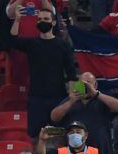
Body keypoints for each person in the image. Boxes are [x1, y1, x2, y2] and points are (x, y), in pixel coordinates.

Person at [9, 9, 78, 137]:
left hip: (58, 96)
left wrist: (72, 99)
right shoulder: (32, 43)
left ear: (53, 22)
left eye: (46, 19)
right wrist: (17, 20)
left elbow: (71, 73)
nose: (42, 21)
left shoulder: (62, 44)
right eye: (39, 19)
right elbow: (13, 41)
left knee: (60, 135)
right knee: (35, 135)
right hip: (36, 97)